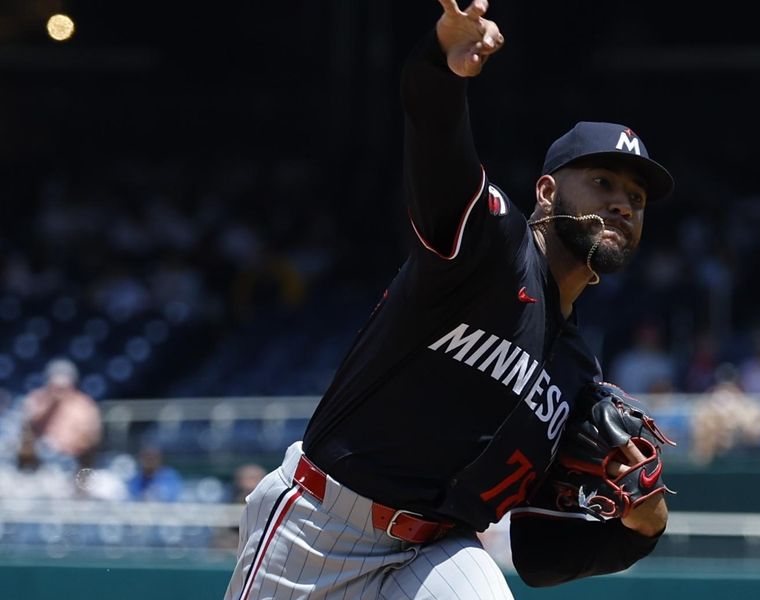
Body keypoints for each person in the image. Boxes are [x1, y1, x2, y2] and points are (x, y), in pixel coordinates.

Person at [224, 2, 675, 598]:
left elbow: (538, 553)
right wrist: (441, 66)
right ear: (545, 191)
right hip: (320, 527)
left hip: (433, 550)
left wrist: (637, 532)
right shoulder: (491, 245)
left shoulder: (575, 375)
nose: (622, 203)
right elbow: (440, 151)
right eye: (603, 182)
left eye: (636, 198)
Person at [22, 358, 102, 469]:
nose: (59, 392)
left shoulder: (84, 406)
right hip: (38, 464)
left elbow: (91, 438)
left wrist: (66, 447)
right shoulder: (37, 399)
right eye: (55, 387)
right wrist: (51, 405)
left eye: (63, 388)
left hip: (72, 464)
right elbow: (27, 430)